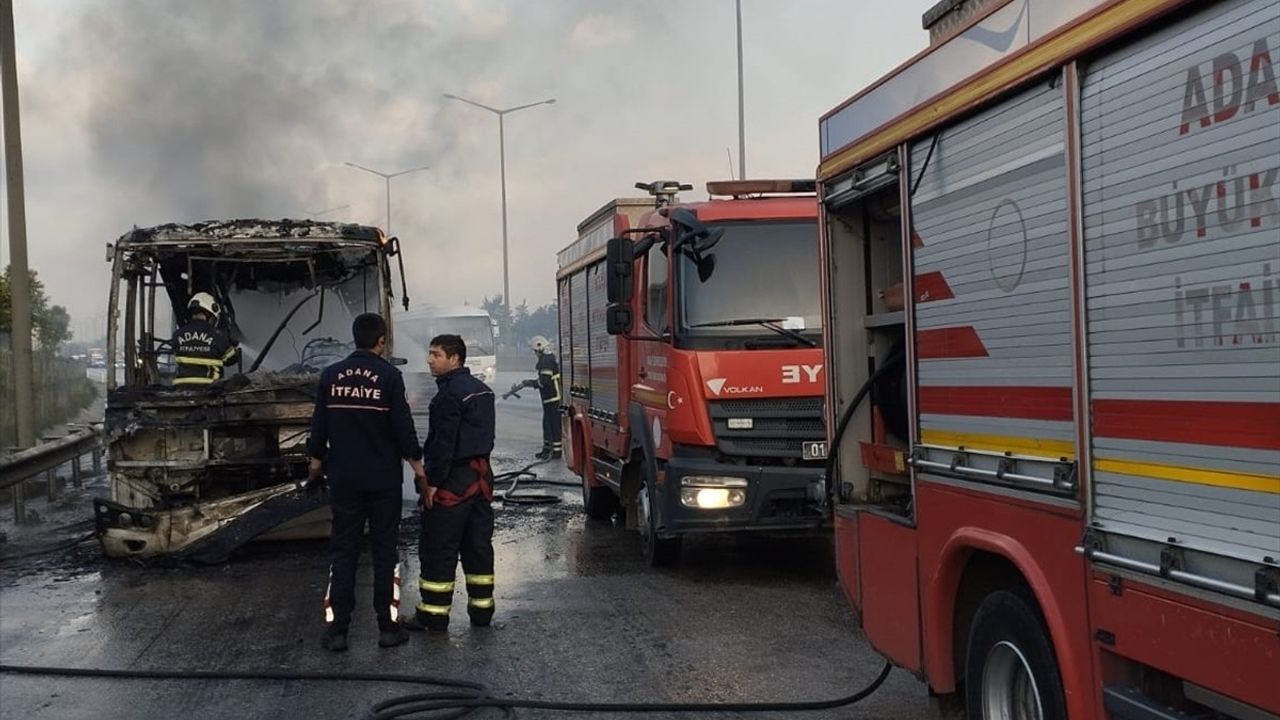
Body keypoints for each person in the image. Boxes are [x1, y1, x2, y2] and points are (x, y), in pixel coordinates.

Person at [306, 312, 426, 651]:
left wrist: (315, 462)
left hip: (344, 479)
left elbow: (320, 425)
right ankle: (388, 629)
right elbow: (403, 427)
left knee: (343, 552)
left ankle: (337, 631)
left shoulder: (331, 375)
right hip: (383, 481)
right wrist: (418, 467)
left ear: (354, 338)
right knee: (385, 553)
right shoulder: (389, 376)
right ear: (382, 341)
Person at [405, 333, 497, 632]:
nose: (429, 360)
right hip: (481, 479)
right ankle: (482, 612)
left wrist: (431, 484)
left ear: (455, 358)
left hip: (453, 482)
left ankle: (433, 615)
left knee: (439, 548)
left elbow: (442, 445)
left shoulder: (447, 396)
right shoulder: (482, 391)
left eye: (436, 354)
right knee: (478, 546)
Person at [507, 335, 562, 460]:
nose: (535, 354)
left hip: (553, 398)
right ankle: (547, 449)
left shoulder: (547, 361)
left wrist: (528, 383)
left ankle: (557, 452)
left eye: (535, 351)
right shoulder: (546, 360)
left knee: (554, 425)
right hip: (549, 398)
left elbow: (544, 382)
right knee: (547, 424)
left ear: (540, 348)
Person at [173, 292, 240, 386]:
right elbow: (231, 360)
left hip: (181, 388)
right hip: (209, 389)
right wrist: (233, 346)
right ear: (209, 314)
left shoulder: (177, 335)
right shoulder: (217, 336)